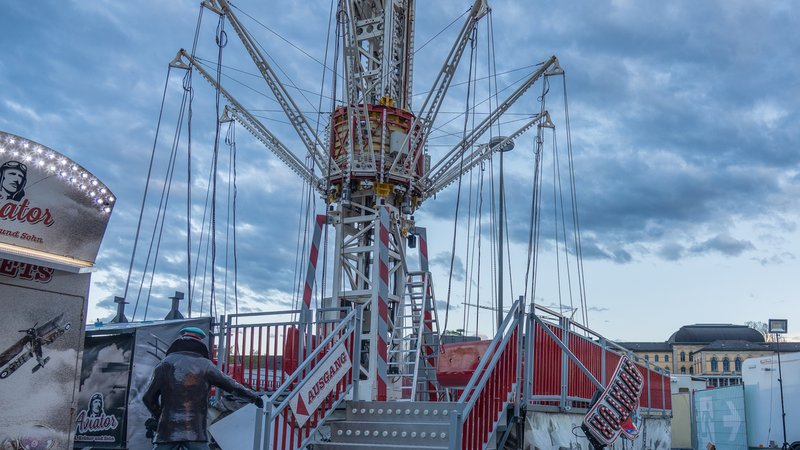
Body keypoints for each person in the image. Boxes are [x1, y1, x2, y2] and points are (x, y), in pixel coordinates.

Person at [143, 327, 263, 450]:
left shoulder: (164, 364)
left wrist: (161, 417)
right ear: (200, 342)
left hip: (167, 432)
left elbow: (148, 398)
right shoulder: (206, 365)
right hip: (195, 432)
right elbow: (231, 385)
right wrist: (254, 397)